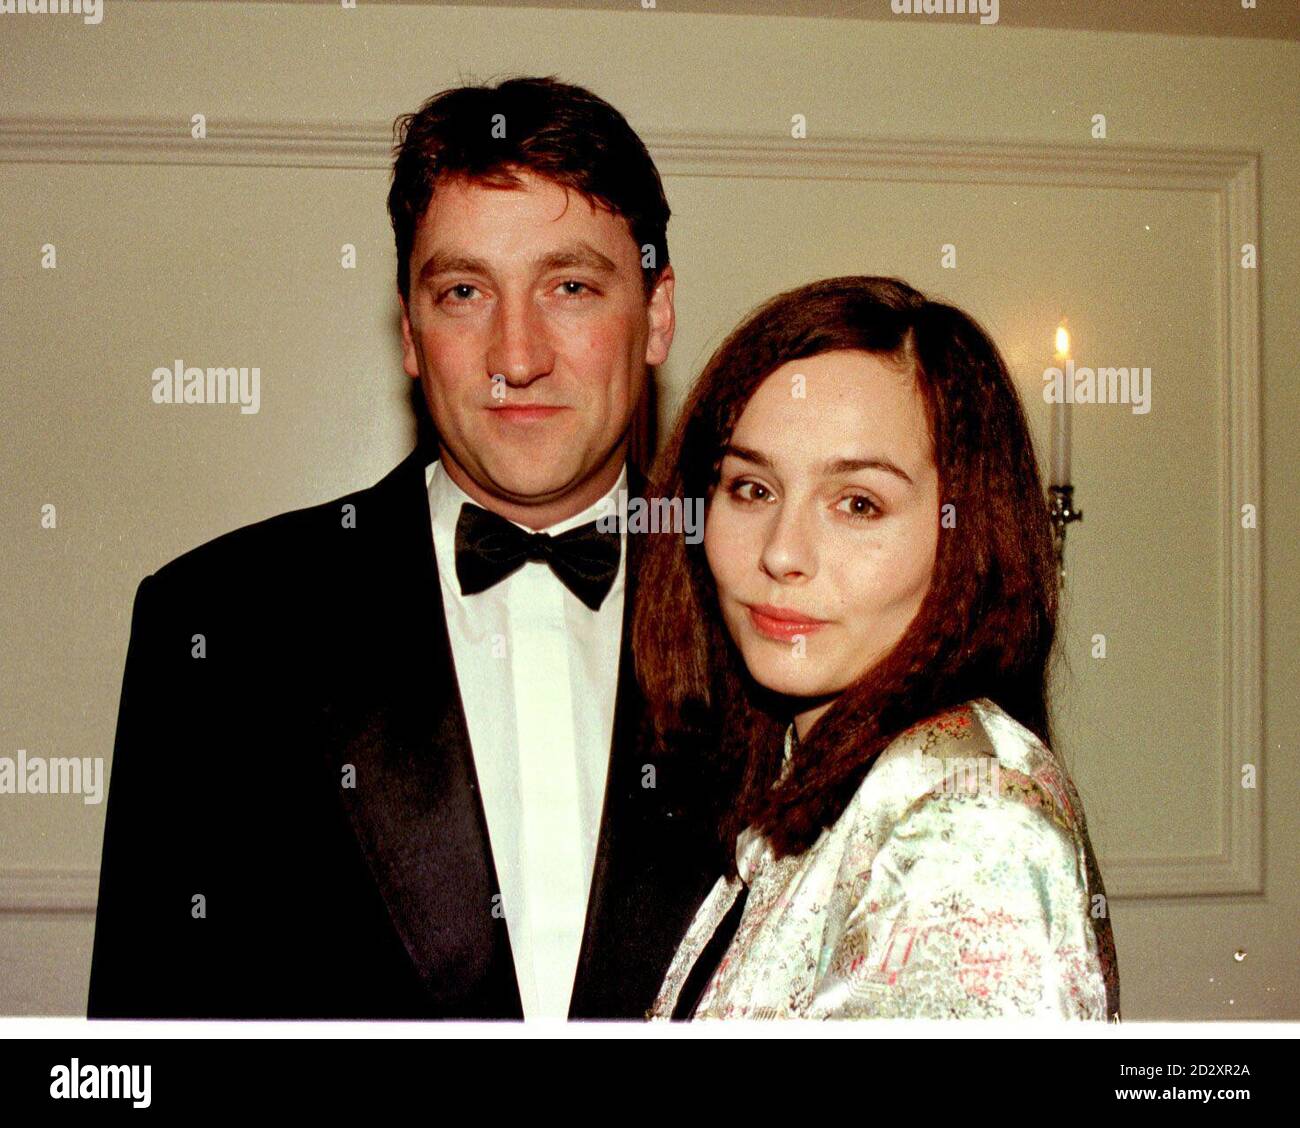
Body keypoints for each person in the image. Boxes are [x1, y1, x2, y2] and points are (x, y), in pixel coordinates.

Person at [87, 76, 726, 1020]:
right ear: (412, 333)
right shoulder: (220, 624)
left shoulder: (776, 607)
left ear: (657, 314)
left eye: (572, 287)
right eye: (465, 291)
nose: (518, 355)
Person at [633, 276, 1121, 1020]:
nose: (782, 553)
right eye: (752, 489)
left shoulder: (972, 826)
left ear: (967, 536)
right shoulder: (814, 775)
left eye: (857, 504)